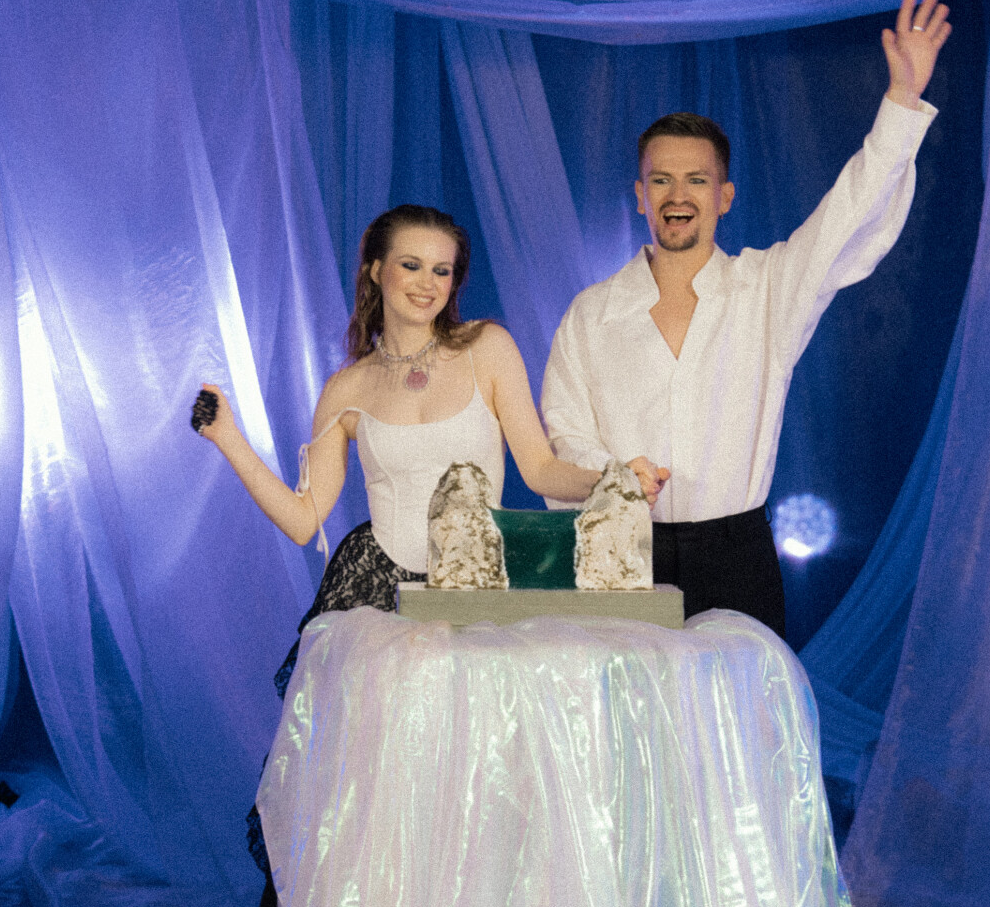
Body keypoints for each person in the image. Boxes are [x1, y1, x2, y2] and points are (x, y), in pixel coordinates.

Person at [541, 0, 953, 635]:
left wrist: (902, 97)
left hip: (736, 558)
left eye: (697, 180)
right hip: (617, 553)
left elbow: (847, 216)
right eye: (661, 180)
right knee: (625, 699)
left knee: (742, 701)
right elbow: (564, 431)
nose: (678, 195)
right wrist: (614, 481)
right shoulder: (590, 315)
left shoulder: (769, 288)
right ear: (640, 196)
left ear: (725, 196)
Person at [195, 203, 660, 674]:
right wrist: (228, 437)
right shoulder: (345, 390)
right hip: (377, 594)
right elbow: (303, 520)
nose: (427, 284)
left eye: (441, 270)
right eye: (411, 265)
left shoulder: (488, 347)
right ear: (376, 270)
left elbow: (540, 470)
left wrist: (612, 480)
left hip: (475, 584)